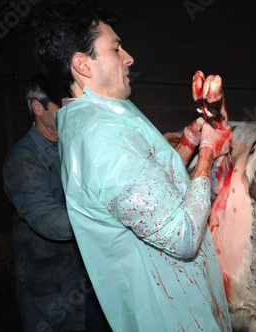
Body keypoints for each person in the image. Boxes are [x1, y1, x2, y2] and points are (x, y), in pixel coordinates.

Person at [30, 1, 233, 331]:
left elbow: (145, 187)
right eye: (115, 48)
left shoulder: (97, 112)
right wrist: (209, 152)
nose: (129, 57)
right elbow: (183, 236)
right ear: (82, 65)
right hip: (170, 313)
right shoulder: (101, 141)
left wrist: (188, 145)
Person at [3, 73, 111, 332]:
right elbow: (49, 221)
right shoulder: (23, 161)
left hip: (88, 277)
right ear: (37, 108)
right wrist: (109, 216)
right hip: (49, 283)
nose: (69, 110)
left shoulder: (75, 145)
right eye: (61, 105)